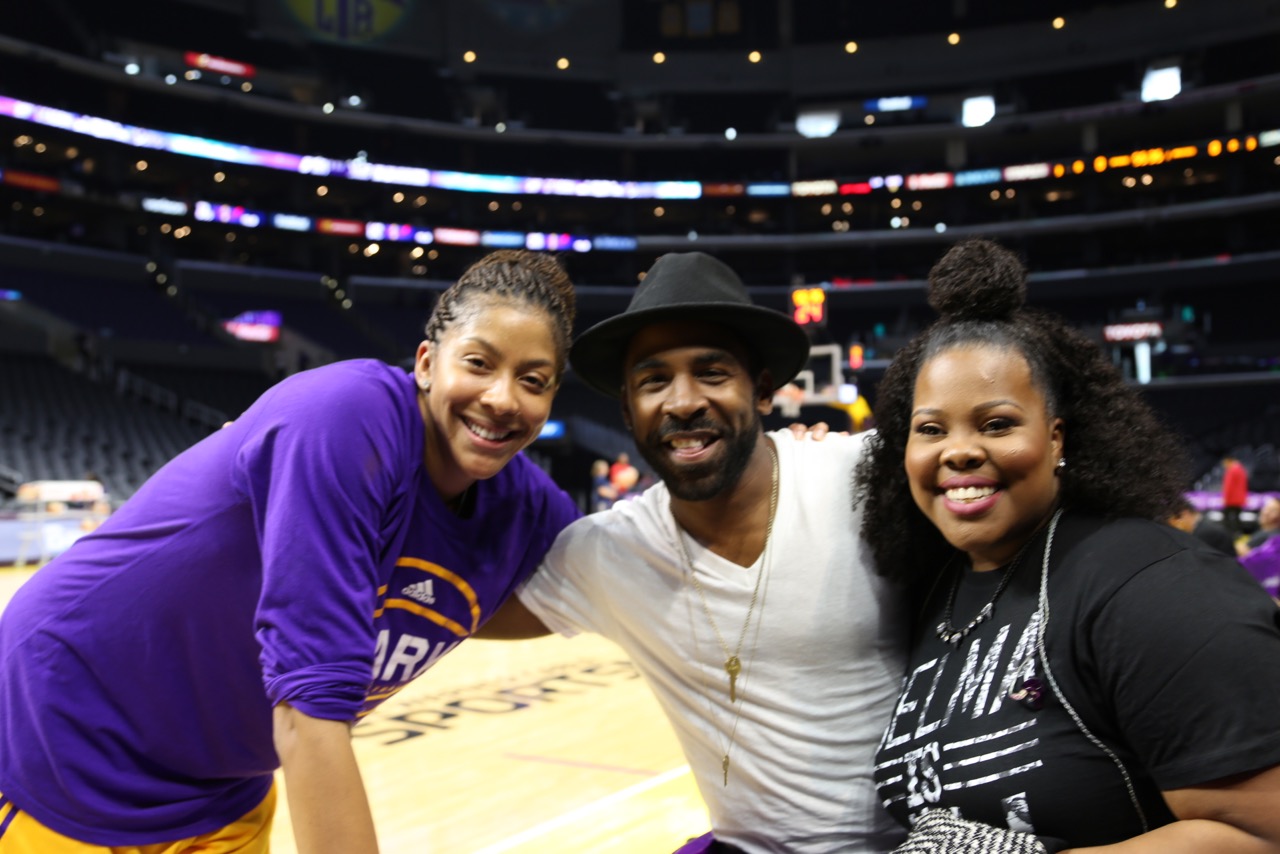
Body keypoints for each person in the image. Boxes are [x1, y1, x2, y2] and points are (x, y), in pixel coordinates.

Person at [0, 250, 581, 853]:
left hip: (223, 782)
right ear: (427, 363)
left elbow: (613, 578)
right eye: (479, 363)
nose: (503, 397)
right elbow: (311, 710)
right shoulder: (343, 418)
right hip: (61, 734)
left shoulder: (526, 504)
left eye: (532, 380)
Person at [856, 239, 1280, 852]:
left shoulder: (1155, 583)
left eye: (996, 423)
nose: (958, 450)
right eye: (930, 429)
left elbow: (1261, 833)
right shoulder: (937, 590)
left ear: (1057, 439)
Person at [483, 251, 909, 853]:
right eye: (654, 380)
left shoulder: (863, 478)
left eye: (711, 373)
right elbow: (450, 612)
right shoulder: (608, 551)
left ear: (762, 391)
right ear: (628, 409)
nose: (682, 401)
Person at [1167, 498, 1236, 557]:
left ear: (1185, 514)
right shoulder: (1203, 525)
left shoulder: (1206, 533)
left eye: (1175, 519)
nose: (1174, 525)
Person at [1222, 455, 1249, 534]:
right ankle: (1238, 532)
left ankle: (1228, 532)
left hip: (1232, 499)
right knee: (1237, 517)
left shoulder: (1232, 470)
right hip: (1240, 498)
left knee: (1226, 516)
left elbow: (1228, 486)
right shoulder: (1241, 469)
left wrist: (1225, 498)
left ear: (1229, 461)